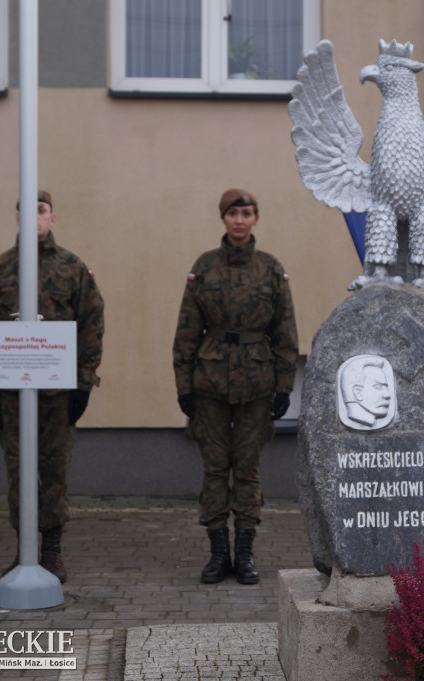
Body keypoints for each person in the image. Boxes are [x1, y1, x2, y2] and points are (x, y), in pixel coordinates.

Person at [0, 190, 104, 583]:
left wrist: (83, 383)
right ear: (17, 218)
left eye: (41, 210)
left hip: (58, 393)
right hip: (12, 394)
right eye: (27, 211)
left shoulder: (72, 268)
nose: (34, 217)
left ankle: (52, 551)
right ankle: (24, 548)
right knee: (19, 472)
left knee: (54, 470)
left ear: (52, 218)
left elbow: (92, 325)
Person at [173, 189, 298, 585]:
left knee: (246, 471)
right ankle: (217, 554)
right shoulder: (204, 267)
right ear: (223, 219)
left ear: (256, 218)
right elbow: (187, 332)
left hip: (257, 385)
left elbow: (285, 334)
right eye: (232, 213)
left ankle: (244, 554)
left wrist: (284, 387)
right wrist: (183, 387)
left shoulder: (271, 269)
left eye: (246, 213)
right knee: (214, 470)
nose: (239, 220)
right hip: (209, 384)